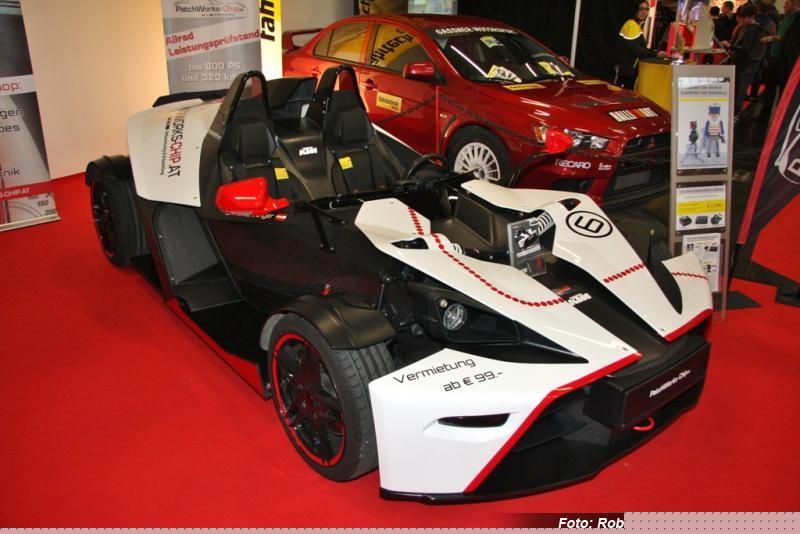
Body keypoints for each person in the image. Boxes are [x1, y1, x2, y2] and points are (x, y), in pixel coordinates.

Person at [721, 4, 767, 115]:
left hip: (745, 63)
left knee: (739, 89)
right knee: (739, 88)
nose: (740, 20)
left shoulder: (752, 30)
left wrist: (730, 46)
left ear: (751, 17)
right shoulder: (751, 28)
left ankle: (735, 112)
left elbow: (745, 49)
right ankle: (735, 111)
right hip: (747, 62)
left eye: (743, 18)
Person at [759, 0, 800, 118]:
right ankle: (765, 114)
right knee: (769, 87)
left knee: (783, 89)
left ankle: (779, 116)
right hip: (775, 57)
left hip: (786, 60)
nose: (784, 6)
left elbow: (791, 39)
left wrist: (774, 38)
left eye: (787, 3)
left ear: (794, 4)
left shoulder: (797, 20)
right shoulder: (786, 18)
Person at [617, 0, 668, 89]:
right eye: (641, 9)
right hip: (627, 72)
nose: (644, 12)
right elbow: (637, 50)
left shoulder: (636, 26)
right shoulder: (631, 25)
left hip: (629, 71)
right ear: (635, 10)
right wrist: (656, 54)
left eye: (646, 9)